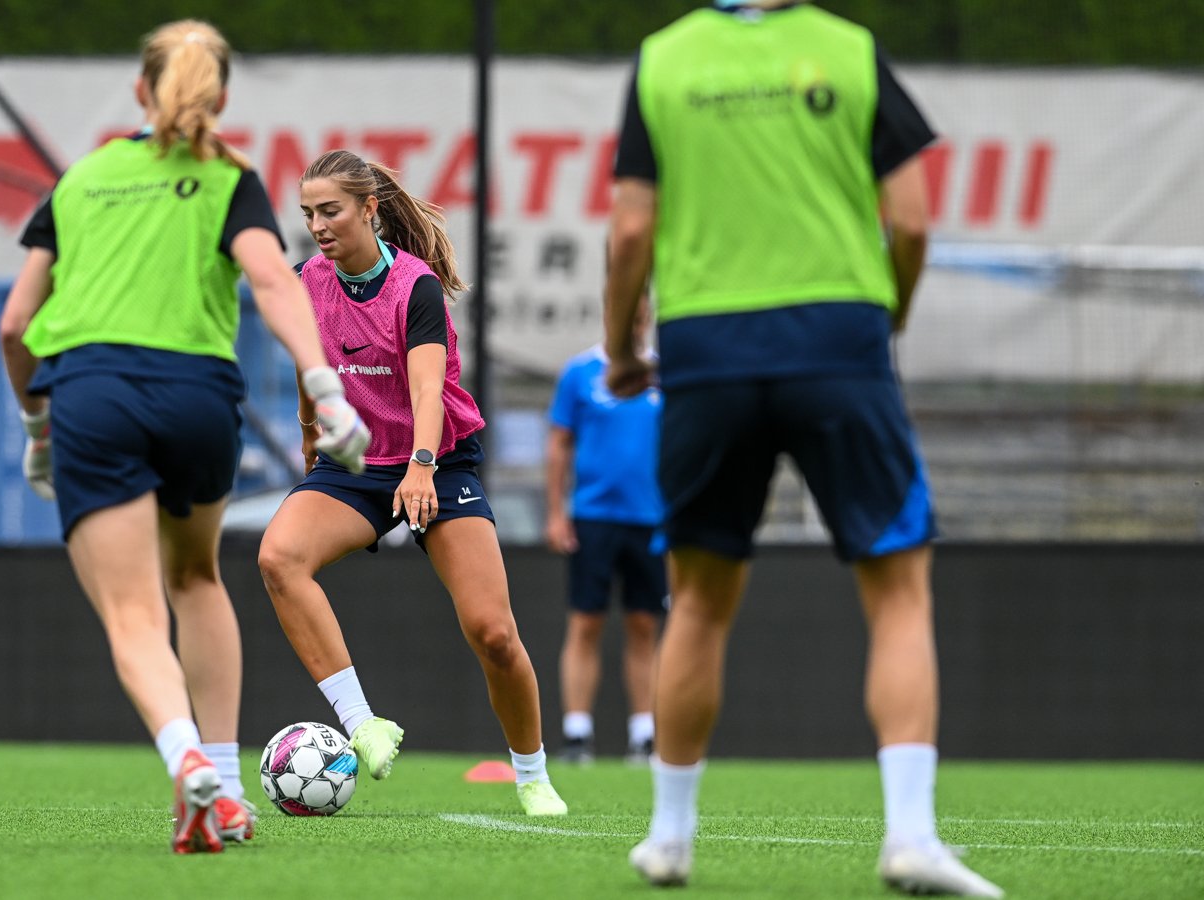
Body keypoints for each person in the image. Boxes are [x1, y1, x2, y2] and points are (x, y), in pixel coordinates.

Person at [603, 2, 1002, 895]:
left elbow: (630, 228)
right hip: (838, 339)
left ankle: (668, 838)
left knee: (698, 600)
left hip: (706, 345)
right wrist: (886, 318)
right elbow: (912, 222)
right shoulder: (851, 51)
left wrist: (623, 347)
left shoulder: (664, 59)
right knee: (898, 592)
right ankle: (911, 836)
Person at [0, 20, 369, 855]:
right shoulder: (229, 177)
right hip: (200, 400)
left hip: (93, 397)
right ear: (221, 96)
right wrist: (324, 387)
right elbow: (272, 278)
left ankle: (187, 761)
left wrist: (37, 427)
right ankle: (227, 788)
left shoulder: (82, 179)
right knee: (197, 578)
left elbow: (16, 324)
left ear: (140, 89)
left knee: (133, 614)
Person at [255, 149, 568, 816]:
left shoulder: (415, 287)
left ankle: (532, 774)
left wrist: (422, 465)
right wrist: (311, 431)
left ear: (369, 209)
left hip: (437, 462)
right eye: (308, 214)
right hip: (356, 466)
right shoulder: (304, 281)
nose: (317, 226)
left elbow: (428, 390)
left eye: (330, 211)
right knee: (279, 557)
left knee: (494, 633)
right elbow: (312, 366)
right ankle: (362, 723)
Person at [544, 302, 666, 766]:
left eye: (639, 317)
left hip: (650, 519)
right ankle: (577, 733)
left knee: (644, 624)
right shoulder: (580, 373)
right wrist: (556, 513)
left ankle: (644, 734)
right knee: (586, 622)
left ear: (647, 320)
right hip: (593, 516)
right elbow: (559, 444)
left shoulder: (662, 376)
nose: (632, 325)